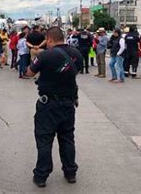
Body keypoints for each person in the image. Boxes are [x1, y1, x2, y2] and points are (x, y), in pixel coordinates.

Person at [26, 26, 83, 188]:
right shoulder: (76, 54)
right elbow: (75, 72)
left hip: (48, 105)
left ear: (49, 39)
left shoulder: (45, 55)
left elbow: (29, 73)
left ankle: (41, 175)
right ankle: (70, 172)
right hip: (68, 103)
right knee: (67, 138)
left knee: (44, 139)